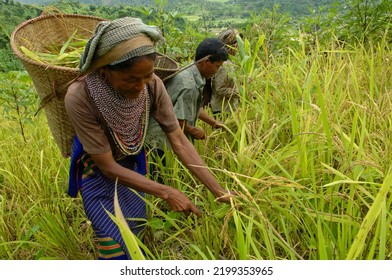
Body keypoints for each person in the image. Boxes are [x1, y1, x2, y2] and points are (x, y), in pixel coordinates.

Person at [64, 17, 232, 260]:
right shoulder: (80, 96)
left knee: (135, 226)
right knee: (111, 239)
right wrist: (167, 192)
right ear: (104, 71)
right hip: (97, 169)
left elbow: (178, 138)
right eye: (131, 79)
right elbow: (107, 166)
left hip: (132, 157)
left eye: (147, 76)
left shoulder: (152, 86)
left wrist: (217, 190)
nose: (141, 86)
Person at [145, 38, 227, 157]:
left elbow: (193, 106)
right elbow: (176, 120)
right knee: (159, 174)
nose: (217, 71)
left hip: (160, 138)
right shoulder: (189, 86)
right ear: (206, 61)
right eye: (217, 66)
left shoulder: (191, 71)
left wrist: (213, 122)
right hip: (159, 142)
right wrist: (194, 131)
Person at [210, 28, 243, 116]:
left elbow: (229, 81)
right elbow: (220, 89)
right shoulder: (224, 65)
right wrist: (240, 92)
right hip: (223, 110)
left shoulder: (230, 62)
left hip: (229, 108)